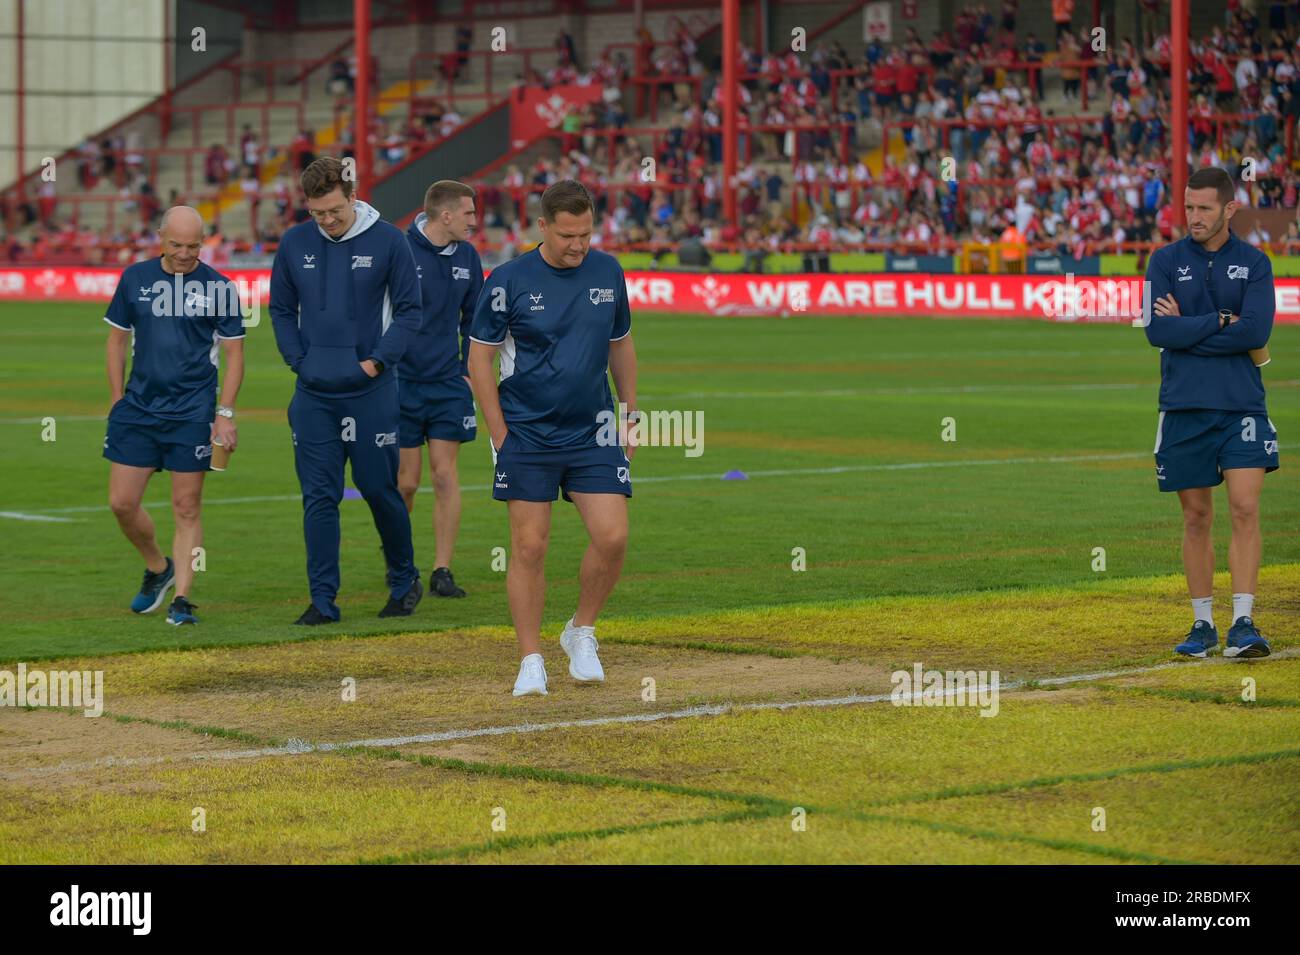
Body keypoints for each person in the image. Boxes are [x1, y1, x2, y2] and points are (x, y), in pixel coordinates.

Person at [467, 180, 638, 696]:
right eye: (567, 235)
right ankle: (530, 658)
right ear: (542, 227)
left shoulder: (609, 271)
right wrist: (499, 433)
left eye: (586, 234)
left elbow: (621, 346)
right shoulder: (507, 280)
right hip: (528, 434)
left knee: (613, 536)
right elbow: (479, 359)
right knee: (529, 546)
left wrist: (629, 414)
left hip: (594, 430)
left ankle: (580, 631)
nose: (578, 245)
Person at [269, 157, 424, 625]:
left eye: (334, 210)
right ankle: (322, 600)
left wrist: (376, 362)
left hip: (371, 392)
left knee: (380, 489)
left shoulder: (389, 242)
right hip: (314, 394)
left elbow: (410, 312)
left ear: (352, 196)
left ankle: (403, 580)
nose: (327, 220)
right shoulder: (295, 243)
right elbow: (279, 310)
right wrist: (300, 361)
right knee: (319, 497)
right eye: (318, 213)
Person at [1143, 166, 1276, 659]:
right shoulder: (1164, 260)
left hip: (1242, 404)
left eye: (1203, 208)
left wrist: (1191, 330)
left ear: (1229, 209)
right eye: (1189, 207)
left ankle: (1243, 621)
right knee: (1196, 515)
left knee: (1244, 507)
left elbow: (1255, 333)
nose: (1193, 216)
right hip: (1183, 406)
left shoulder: (1257, 263)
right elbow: (1158, 332)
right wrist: (1221, 320)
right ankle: (1203, 625)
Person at [103, 206, 245, 626]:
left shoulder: (220, 288)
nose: (185, 253)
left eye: (194, 246)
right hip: (138, 409)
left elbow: (235, 354)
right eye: (176, 244)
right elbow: (116, 341)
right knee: (121, 503)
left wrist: (225, 414)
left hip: (192, 412)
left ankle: (182, 598)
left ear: (204, 242)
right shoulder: (135, 278)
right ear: (160, 237)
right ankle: (157, 567)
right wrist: (115, 399)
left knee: (186, 507)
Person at [398, 180, 484, 598]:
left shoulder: (469, 256)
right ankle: (401, 562)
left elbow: (476, 318)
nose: (474, 221)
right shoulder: (399, 249)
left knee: (446, 475)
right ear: (445, 214)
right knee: (407, 482)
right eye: (468, 213)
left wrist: (469, 369)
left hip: (448, 383)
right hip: (400, 382)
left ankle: (441, 570)